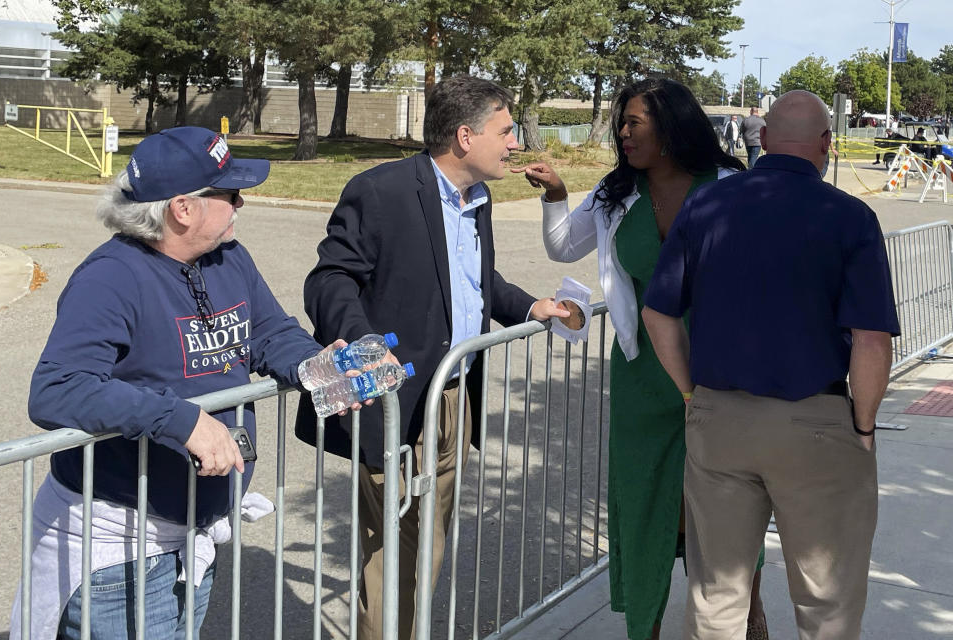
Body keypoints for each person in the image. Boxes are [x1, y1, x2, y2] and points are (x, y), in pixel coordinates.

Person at [13, 127, 352, 640]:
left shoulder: (226, 255)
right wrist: (181, 420)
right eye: (230, 193)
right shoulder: (111, 277)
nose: (242, 202)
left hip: (189, 532)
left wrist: (317, 367)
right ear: (183, 209)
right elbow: (57, 388)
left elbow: (267, 332)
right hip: (119, 550)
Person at [294, 75, 568, 640]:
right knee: (389, 550)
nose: (514, 142)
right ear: (465, 137)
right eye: (506, 130)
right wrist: (362, 346)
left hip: (452, 398)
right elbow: (330, 279)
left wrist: (527, 307)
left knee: (429, 543)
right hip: (391, 397)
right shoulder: (380, 191)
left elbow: (474, 279)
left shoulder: (479, 197)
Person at [511, 78, 769, 640]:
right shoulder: (614, 193)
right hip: (641, 374)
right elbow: (563, 246)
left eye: (635, 123)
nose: (623, 134)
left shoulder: (731, 184)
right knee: (646, 496)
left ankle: (749, 616)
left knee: (727, 501)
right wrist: (556, 192)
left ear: (672, 125)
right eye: (620, 124)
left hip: (722, 373)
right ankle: (646, 625)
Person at [641, 90, 899, 640]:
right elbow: (871, 339)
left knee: (717, 596)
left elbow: (658, 314)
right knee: (827, 599)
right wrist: (865, 426)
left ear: (763, 138)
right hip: (818, 422)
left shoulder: (707, 206)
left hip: (719, 421)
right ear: (826, 145)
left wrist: (692, 395)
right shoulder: (849, 217)